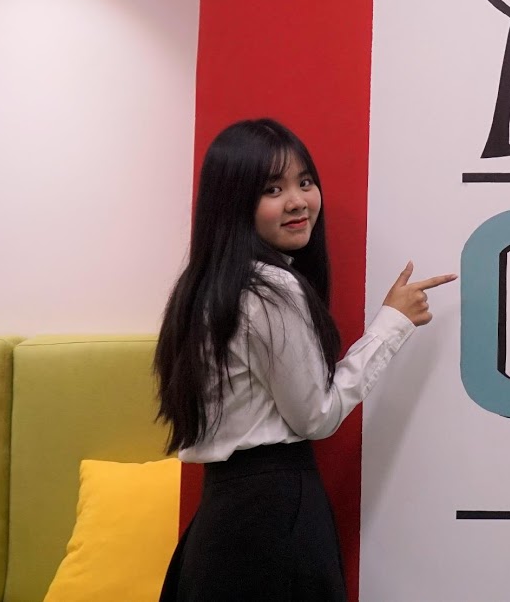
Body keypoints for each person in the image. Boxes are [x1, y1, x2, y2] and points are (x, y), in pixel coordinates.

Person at [153, 118, 456, 602]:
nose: (297, 201)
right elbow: (316, 416)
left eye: (305, 182)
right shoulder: (270, 288)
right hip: (272, 518)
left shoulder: (205, 288)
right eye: (272, 189)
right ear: (233, 202)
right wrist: (392, 323)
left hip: (222, 517)